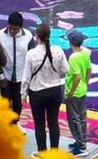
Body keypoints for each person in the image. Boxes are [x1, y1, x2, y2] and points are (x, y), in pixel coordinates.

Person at [22, 23, 68, 152]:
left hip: (37, 93)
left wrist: (23, 94)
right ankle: (54, 153)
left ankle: (42, 152)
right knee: (53, 122)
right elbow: (66, 70)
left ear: (36, 36)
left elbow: (26, 77)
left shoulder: (32, 54)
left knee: (39, 124)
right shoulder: (58, 50)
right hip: (54, 92)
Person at [0, 12, 33, 120]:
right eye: (10, 28)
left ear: (20, 28)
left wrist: (29, 77)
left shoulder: (28, 36)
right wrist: (0, 75)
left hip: (21, 77)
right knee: (5, 103)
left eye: (15, 29)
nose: (12, 31)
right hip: (5, 77)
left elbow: (32, 56)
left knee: (18, 104)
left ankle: (15, 124)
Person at [65, 29, 91, 155]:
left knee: (74, 118)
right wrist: (86, 84)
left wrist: (70, 93)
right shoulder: (85, 53)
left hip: (74, 93)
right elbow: (89, 70)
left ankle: (81, 146)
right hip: (83, 90)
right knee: (82, 117)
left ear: (70, 43)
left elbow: (77, 77)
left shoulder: (73, 58)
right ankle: (81, 140)